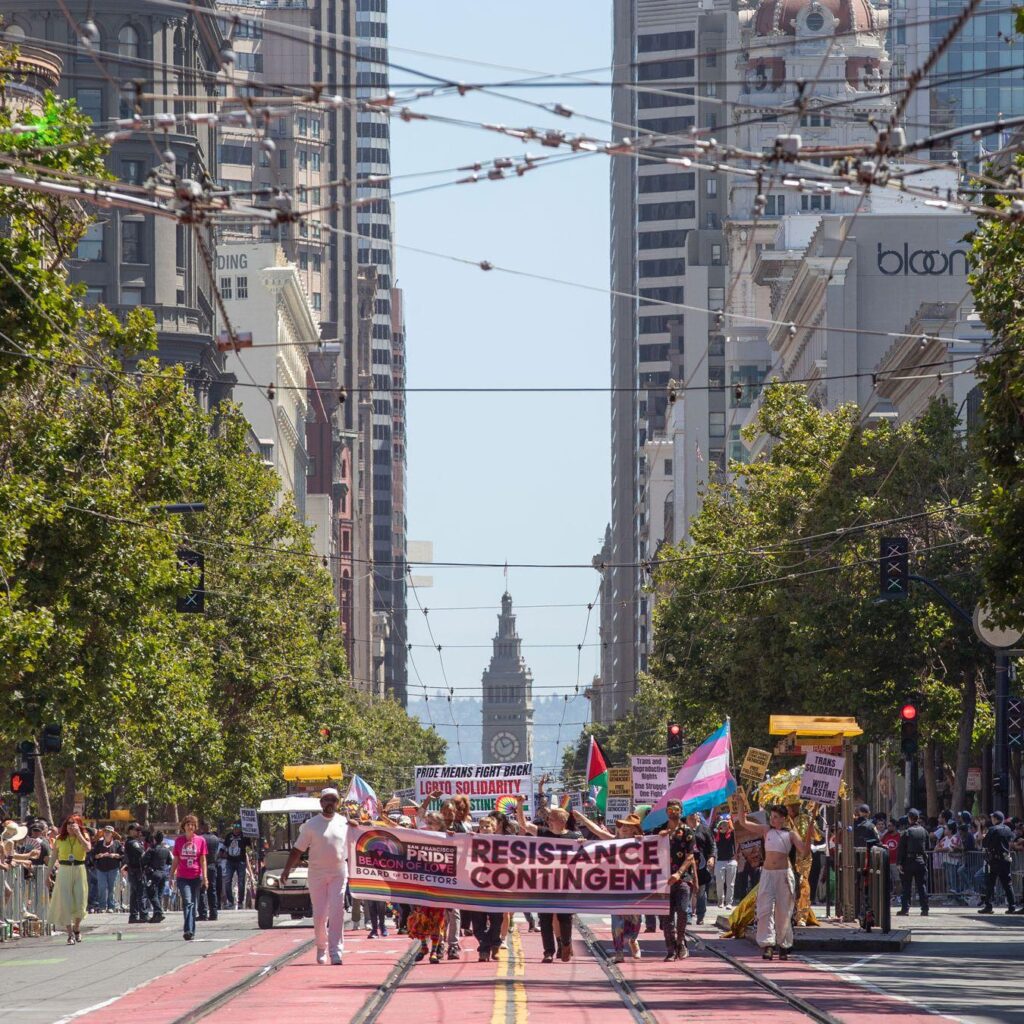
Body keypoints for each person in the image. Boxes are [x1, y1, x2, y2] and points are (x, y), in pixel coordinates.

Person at [281, 787, 349, 964]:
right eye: (326, 800)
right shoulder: (311, 825)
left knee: (337, 911)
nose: (330, 803)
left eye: (333, 800)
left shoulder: (345, 822)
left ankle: (336, 952)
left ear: (337, 803)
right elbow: (297, 850)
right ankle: (321, 946)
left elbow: (359, 845)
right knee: (319, 915)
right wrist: (287, 870)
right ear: (321, 803)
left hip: (339, 872)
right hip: (317, 874)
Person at [736, 804, 811, 961]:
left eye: (776, 817)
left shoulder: (791, 834)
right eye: (771, 816)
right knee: (765, 909)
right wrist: (740, 802)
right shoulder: (766, 830)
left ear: (783, 819)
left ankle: (783, 945)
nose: (773, 819)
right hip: (767, 874)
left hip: (784, 875)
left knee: (784, 911)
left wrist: (809, 832)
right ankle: (768, 945)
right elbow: (743, 822)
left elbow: (804, 852)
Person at [516, 795, 581, 963]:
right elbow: (523, 824)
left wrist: (583, 844)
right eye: (549, 819)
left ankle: (566, 944)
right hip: (544, 882)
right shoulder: (543, 833)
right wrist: (520, 804)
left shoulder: (574, 838)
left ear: (562, 821)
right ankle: (548, 952)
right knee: (544, 919)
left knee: (564, 918)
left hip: (564, 884)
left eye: (552, 819)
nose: (549, 821)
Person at [47, 815, 92, 944]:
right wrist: (47, 874)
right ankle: (70, 933)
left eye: (73, 824)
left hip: (79, 868)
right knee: (65, 901)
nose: (70, 826)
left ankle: (77, 927)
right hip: (64, 869)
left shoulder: (84, 836)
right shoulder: (60, 839)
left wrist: (78, 833)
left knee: (80, 900)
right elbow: (53, 858)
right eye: (68, 824)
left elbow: (88, 848)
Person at [660, 803, 696, 961]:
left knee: (682, 912)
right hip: (663, 880)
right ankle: (670, 948)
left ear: (681, 812)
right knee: (666, 917)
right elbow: (645, 845)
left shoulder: (687, 831)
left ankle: (681, 942)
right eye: (670, 810)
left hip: (682, 878)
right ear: (666, 812)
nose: (673, 813)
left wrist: (679, 873)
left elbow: (690, 856)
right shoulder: (660, 830)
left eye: (676, 810)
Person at [608, 812, 644, 963]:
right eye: (622, 825)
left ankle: (633, 940)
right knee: (617, 920)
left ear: (635, 830)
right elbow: (598, 833)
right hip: (616, 887)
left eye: (627, 827)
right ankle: (619, 952)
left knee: (635, 920)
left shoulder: (643, 843)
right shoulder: (614, 842)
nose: (623, 828)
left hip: (636, 886)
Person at [467, 816, 504, 961]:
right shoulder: (472, 840)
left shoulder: (503, 842)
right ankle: (491, 943)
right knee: (477, 923)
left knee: (496, 920)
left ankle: (487, 948)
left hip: (496, 887)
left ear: (495, 828)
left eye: (488, 826)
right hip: (477, 887)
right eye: (482, 826)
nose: (485, 828)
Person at [171, 814, 208, 941]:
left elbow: (203, 860)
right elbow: (176, 859)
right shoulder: (179, 841)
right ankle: (187, 930)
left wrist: (205, 877)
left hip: (196, 876)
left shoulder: (201, 841)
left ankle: (191, 931)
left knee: (194, 904)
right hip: (182, 877)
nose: (190, 827)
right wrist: (171, 875)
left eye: (192, 825)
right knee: (188, 902)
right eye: (188, 824)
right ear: (184, 827)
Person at [978, 810, 1020, 914]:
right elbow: (1011, 841)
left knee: (990, 883)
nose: (991, 819)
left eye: (992, 818)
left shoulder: (992, 829)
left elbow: (985, 844)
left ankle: (988, 906)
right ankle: (1012, 906)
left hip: (995, 860)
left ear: (996, 819)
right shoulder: (1007, 829)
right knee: (1007, 883)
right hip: (1005, 859)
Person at [896, 809, 930, 916]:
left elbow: (901, 849)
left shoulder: (906, 832)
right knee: (922, 886)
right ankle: (925, 909)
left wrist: (899, 863)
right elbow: (927, 846)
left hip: (909, 861)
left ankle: (905, 909)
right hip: (920, 861)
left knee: (906, 886)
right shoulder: (924, 831)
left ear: (909, 818)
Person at [685, 811, 716, 925]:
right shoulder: (683, 830)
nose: (692, 816)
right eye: (689, 815)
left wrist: (711, 857)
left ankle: (700, 915)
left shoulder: (704, 829)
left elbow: (711, 845)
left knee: (701, 891)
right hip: (686, 865)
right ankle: (687, 915)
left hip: (701, 865)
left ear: (698, 816)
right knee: (687, 890)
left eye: (694, 814)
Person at [92, 826, 123, 913]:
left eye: (109, 832)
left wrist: (113, 855)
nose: (107, 833)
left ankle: (111, 906)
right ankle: (102, 906)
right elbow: (94, 855)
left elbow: (122, 855)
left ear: (112, 834)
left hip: (113, 868)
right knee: (102, 887)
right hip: (101, 869)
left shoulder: (117, 843)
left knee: (111, 888)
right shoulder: (99, 843)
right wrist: (100, 855)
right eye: (105, 831)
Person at [122, 823, 148, 923]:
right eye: (136, 830)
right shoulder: (132, 842)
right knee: (141, 893)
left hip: (135, 870)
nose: (139, 832)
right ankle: (143, 914)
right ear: (130, 831)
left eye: (139, 830)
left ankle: (133, 915)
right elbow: (142, 853)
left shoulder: (135, 841)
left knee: (135, 893)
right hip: (136, 871)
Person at [142, 832, 171, 922]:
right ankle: (156, 915)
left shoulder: (152, 850)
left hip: (154, 874)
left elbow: (143, 861)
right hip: (163, 874)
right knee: (159, 895)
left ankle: (159, 911)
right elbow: (169, 861)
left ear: (154, 839)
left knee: (151, 894)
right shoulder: (166, 850)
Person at [197, 823, 221, 922]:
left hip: (203, 865)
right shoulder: (216, 839)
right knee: (212, 890)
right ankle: (214, 913)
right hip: (212, 865)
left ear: (202, 828)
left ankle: (203, 913)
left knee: (201, 890)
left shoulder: (200, 838)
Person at [222, 824, 249, 910]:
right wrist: (221, 853)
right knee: (227, 881)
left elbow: (250, 846)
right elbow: (224, 846)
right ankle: (230, 901)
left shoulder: (244, 836)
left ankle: (240, 902)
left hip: (240, 861)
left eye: (238, 827)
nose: (236, 828)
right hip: (230, 861)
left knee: (241, 882)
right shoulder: (228, 836)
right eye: (235, 827)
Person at [714, 815, 738, 910]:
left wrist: (730, 821)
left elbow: (737, 830)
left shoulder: (732, 834)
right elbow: (711, 825)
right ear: (719, 825)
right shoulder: (716, 834)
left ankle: (729, 902)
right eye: (722, 824)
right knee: (719, 882)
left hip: (731, 861)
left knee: (730, 884)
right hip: (720, 861)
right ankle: (720, 900)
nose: (724, 826)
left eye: (726, 824)